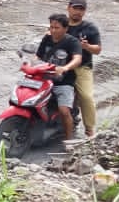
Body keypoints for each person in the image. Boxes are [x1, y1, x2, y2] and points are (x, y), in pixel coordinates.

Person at [35, 13, 84, 141]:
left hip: (63, 82)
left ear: (65, 28)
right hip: (44, 79)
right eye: (51, 27)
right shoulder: (47, 38)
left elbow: (77, 59)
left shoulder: (72, 42)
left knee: (64, 111)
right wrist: (31, 63)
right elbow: (38, 56)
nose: (53, 30)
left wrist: (65, 68)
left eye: (56, 28)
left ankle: (69, 141)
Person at [65, 0, 103, 138]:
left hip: (82, 68)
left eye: (81, 9)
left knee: (86, 96)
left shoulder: (90, 28)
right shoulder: (61, 24)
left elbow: (98, 50)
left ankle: (89, 129)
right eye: (75, 8)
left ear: (85, 11)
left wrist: (86, 46)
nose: (77, 12)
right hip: (61, 66)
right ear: (68, 8)